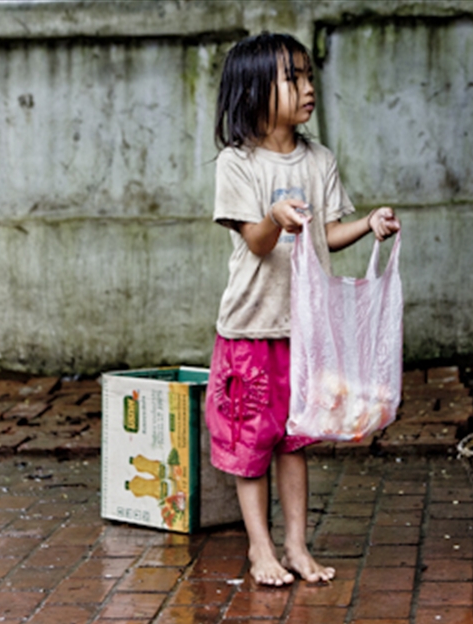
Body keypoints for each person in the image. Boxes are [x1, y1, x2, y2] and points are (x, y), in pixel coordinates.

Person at [204, 32, 400, 587]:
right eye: (293, 79)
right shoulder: (236, 164)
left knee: (295, 440)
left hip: (305, 329)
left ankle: (295, 546)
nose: (309, 88)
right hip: (250, 327)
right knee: (252, 444)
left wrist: (369, 225)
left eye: (309, 76)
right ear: (254, 91)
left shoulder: (320, 160)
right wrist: (275, 216)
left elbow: (327, 235)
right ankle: (259, 549)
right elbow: (258, 242)